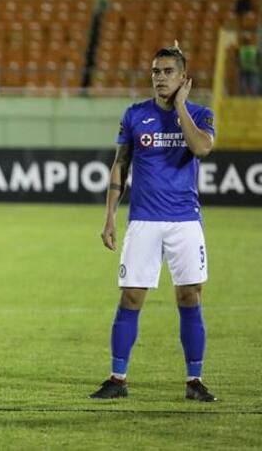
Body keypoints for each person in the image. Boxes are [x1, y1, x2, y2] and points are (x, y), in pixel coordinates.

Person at [90, 44, 217, 402]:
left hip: (185, 222)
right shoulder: (134, 115)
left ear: (183, 78)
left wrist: (179, 108)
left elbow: (201, 148)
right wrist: (110, 216)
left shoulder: (201, 114)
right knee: (131, 296)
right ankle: (118, 378)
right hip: (143, 221)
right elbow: (120, 164)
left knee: (190, 296)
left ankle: (194, 381)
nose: (159, 78)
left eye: (167, 72)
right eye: (155, 72)